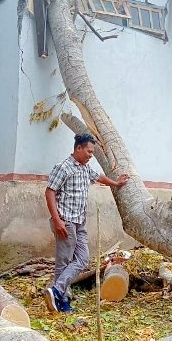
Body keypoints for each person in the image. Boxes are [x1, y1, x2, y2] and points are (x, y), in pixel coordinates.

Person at [44, 133, 129, 313]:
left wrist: (116, 183)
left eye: (92, 152)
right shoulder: (64, 167)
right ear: (78, 148)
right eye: (89, 151)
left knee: (82, 259)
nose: (91, 155)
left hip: (80, 222)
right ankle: (62, 302)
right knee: (63, 262)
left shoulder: (85, 168)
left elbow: (98, 177)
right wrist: (58, 221)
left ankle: (56, 291)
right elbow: (50, 192)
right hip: (65, 221)